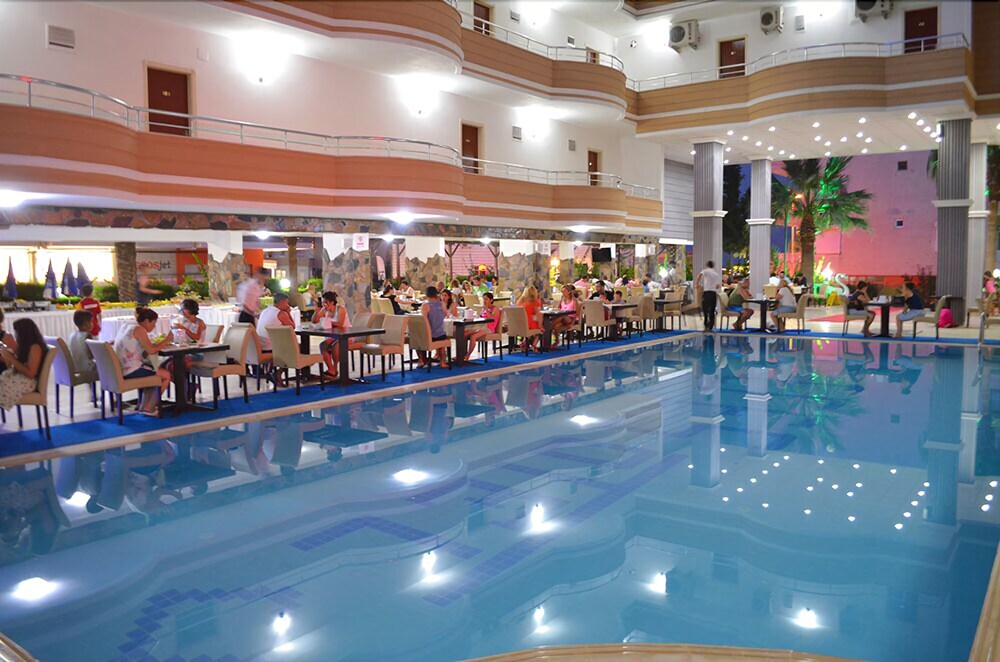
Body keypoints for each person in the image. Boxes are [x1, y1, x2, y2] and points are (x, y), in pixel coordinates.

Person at [113, 308, 171, 416]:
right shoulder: (139, 329)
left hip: (121, 368)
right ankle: (150, 408)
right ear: (147, 321)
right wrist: (167, 340)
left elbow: (142, 350)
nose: (154, 327)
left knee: (154, 370)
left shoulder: (126, 325)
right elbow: (151, 350)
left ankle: (144, 406)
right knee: (166, 375)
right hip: (131, 369)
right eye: (154, 323)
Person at [0, 319, 47, 411]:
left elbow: (30, 374)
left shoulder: (35, 347)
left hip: (27, 382)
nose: (15, 335)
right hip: (18, 378)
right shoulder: (24, 347)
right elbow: (12, 368)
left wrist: (12, 359)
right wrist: (7, 357)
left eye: (17, 332)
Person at [312, 291, 350, 379]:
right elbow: (314, 321)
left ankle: (335, 369)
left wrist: (327, 322)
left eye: (326, 302)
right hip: (333, 336)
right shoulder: (325, 309)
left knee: (334, 345)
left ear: (332, 302)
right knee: (323, 345)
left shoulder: (340, 309)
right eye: (323, 302)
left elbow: (340, 324)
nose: (324, 304)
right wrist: (316, 312)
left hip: (345, 335)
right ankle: (331, 369)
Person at [418, 286, 448, 369]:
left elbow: (424, 320)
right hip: (440, 334)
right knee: (442, 336)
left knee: (417, 337)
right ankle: (442, 362)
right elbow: (446, 315)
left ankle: (422, 359)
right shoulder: (442, 304)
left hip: (429, 335)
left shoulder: (425, 306)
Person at [467, 292, 501, 360]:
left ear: (491, 300)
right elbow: (481, 317)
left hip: (489, 328)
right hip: (481, 326)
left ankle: (467, 355)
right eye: (483, 299)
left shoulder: (495, 309)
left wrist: (486, 309)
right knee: (465, 333)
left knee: (473, 337)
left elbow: (491, 318)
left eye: (486, 299)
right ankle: (461, 354)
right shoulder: (484, 309)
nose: (484, 301)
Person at [694, 260, 722, 332]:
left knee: (705, 309)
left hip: (707, 292)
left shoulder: (706, 271)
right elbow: (718, 286)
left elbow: (699, 275)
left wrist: (697, 284)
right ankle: (711, 325)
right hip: (713, 293)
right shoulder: (716, 274)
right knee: (712, 309)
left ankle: (706, 323)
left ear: (707, 265)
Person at [69, 310, 97, 374]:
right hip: (87, 369)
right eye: (91, 321)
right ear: (85, 323)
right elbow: (92, 355)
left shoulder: (72, 335)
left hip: (75, 368)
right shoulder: (87, 335)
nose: (92, 324)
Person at [517, 285, 542, 351]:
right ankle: (534, 345)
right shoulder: (535, 302)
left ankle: (524, 342)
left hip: (520, 325)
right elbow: (538, 314)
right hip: (529, 325)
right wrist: (540, 326)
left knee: (530, 328)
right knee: (541, 330)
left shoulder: (520, 302)